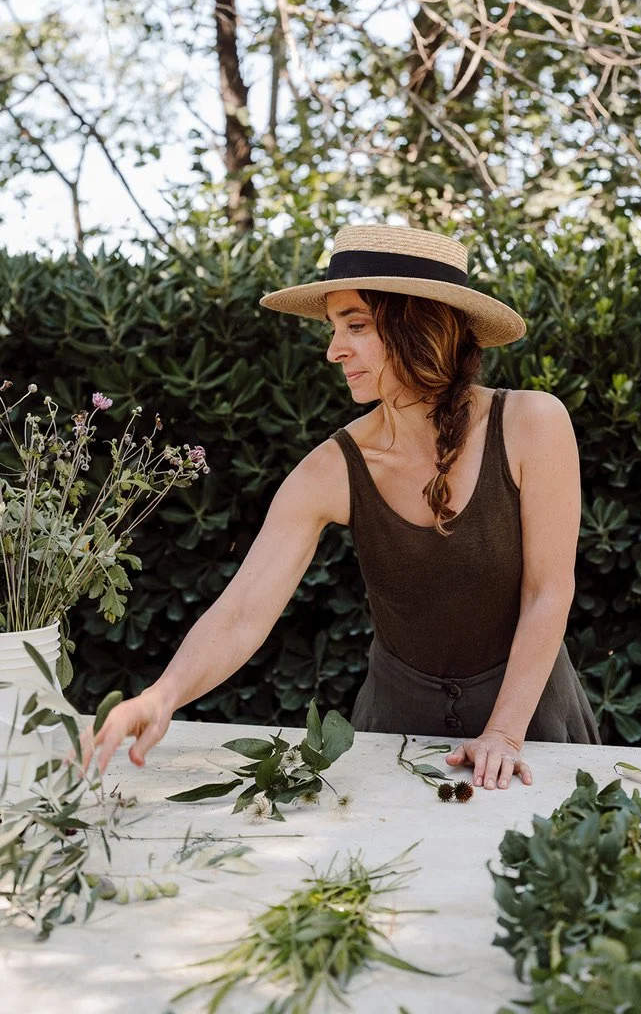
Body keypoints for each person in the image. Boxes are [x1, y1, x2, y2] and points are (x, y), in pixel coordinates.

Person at [75, 223, 599, 791]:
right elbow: (245, 608)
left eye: (356, 325)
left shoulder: (532, 424)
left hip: (532, 723)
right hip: (393, 732)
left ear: (419, 325)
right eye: (333, 328)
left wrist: (505, 734)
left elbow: (548, 591)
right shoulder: (331, 467)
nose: (333, 350)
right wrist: (162, 696)